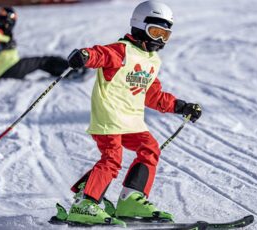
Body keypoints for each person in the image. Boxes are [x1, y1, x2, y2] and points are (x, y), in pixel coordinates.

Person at [63, 0, 202, 226]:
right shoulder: (122, 51)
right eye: (155, 32)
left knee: (150, 148)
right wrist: (84, 56)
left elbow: (153, 95)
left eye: (165, 35)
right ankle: (85, 204)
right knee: (112, 158)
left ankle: (131, 199)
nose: (159, 39)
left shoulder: (151, 61)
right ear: (139, 25)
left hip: (131, 121)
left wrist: (181, 106)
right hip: (109, 118)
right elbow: (100, 54)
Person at [0, 7, 85, 82]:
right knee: (43, 61)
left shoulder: (1, 33)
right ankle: (72, 70)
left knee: (42, 61)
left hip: (6, 69)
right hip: (8, 70)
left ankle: (64, 70)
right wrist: (0, 47)